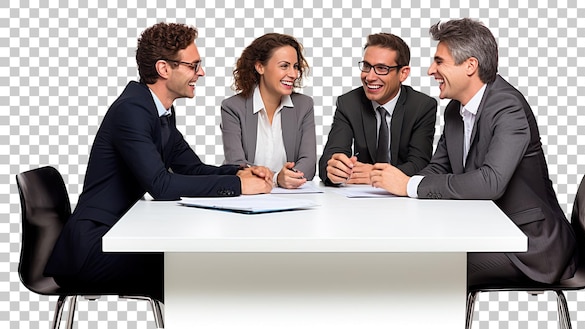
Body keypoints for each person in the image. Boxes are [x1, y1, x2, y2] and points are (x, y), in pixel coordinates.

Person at [44, 22, 273, 303]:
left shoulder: (159, 111)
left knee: (202, 261)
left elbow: (191, 168)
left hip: (121, 234)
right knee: (196, 266)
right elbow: (161, 186)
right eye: (193, 65)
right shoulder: (132, 110)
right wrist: (238, 186)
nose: (200, 73)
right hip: (93, 248)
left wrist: (241, 171)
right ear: (165, 69)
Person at [371, 18, 577, 286]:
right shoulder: (456, 110)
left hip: (529, 245)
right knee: (407, 255)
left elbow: (491, 182)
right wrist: (395, 188)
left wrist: (409, 186)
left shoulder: (507, 107)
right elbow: (438, 168)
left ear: (470, 65)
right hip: (486, 230)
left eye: (439, 61)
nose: (431, 70)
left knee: (424, 268)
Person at [318, 33, 437, 186]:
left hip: (403, 199)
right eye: (367, 66)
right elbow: (328, 159)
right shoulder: (348, 103)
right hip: (357, 200)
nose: (370, 77)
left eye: (382, 68)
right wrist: (334, 170)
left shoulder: (422, 106)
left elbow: (420, 164)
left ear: (403, 73)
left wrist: (376, 175)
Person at [220, 33, 316, 189]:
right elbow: (236, 164)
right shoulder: (233, 107)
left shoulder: (304, 105)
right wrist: (277, 178)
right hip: (247, 196)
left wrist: (291, 177)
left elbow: (309, 163)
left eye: (295, 66)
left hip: (291, 198)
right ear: (260, 67)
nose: (293, 74)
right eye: (284, 66)